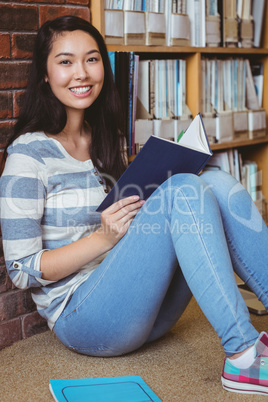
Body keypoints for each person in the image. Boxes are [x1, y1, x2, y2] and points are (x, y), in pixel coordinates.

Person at [0, 15, 267, 396]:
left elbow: (142, 226)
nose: (82, 73)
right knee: (184, 191)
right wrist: (103, 238)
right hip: (83, 319)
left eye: (92, 60)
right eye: (65, 61)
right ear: (44, 73)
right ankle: (243, 357)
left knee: (217, 182)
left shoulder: (107, 137)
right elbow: (21, 271)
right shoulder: (27, 156)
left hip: (142, 303)